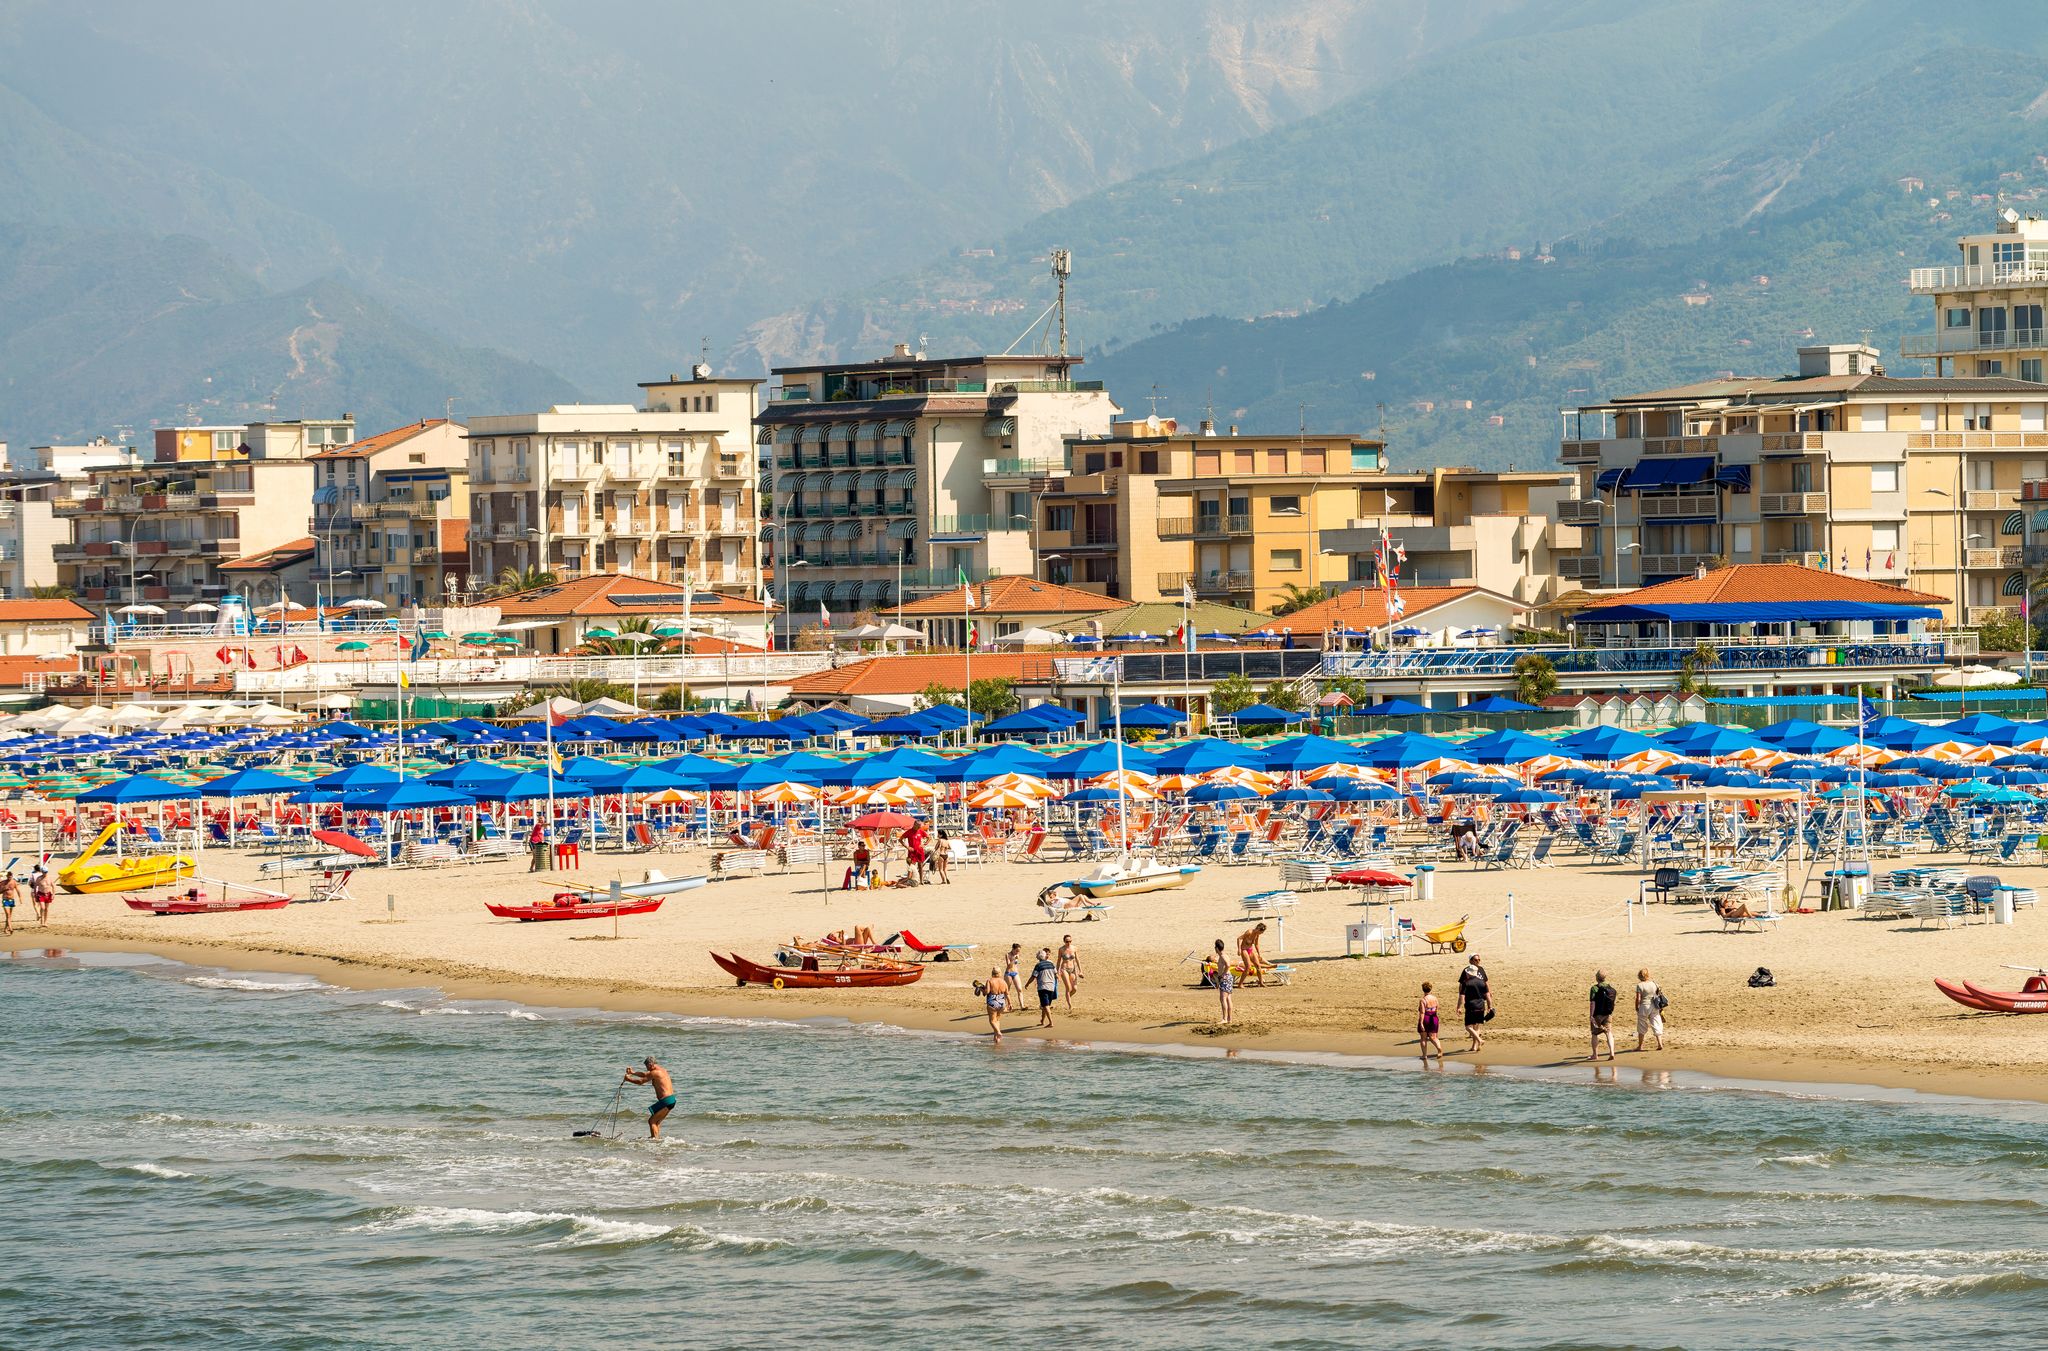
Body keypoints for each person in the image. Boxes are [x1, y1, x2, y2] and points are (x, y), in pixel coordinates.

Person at [621, 1056, 677, 1139]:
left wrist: (628, 1079)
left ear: (651, 1064)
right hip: (672, 1100)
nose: (647, 1069)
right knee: (657, 1122)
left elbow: (641, 1081)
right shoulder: (662, 1070)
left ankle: (654, 1141)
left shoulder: (654, 1073)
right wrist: (633, 1073)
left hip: (665, 1101)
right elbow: (645, 1074)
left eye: (647, 1067)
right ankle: (657, 1140)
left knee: (652, 1121)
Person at [1457, 954, 1490, 1052]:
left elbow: (1486, 982)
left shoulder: (1480, 971)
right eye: (1476, 960)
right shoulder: (1466, 972)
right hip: (1480, 1003)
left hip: (1472, 1004)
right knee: (1476, 1026)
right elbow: (1460, 984)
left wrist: (1459, 1005)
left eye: (1479, 959)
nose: (1478, 961)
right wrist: (1489, 1003)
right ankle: (1475, 1046)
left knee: (1469, 1026)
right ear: (1470, 960)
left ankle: (1479, 1040)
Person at [1588, 969, 1619, 1062]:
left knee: (1594, 1033)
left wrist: (1591, 1015)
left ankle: (1595, 1054)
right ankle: (1612, 1053)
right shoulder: (1611, 989)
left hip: (1597, 1014)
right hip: (1608, 1013)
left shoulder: (1594, 988)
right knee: (1609, 1033)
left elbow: (1592, 1003)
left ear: (1597, 977)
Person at [1634, 968, 1666, 1052]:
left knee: (1641, 1026)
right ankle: (1660, 1044)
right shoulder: (1654, 983)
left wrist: (1637, 1007)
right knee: (1656, 1024)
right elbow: (1658, 994)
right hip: (1654, 1006)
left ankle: (1640, 1046)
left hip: (1644, 1006)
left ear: (1639, 976)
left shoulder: (1639, 985)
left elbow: (1638, 998)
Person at [1030, 947, 1059, 1028]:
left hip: (1043, 987)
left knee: (1045, 1006)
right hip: (1051, 987)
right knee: (1046, 1005)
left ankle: (1051, 1022)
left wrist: (1027, 984)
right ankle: (1042, 1020)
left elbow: (1033, 976)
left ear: (1038, 957)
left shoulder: (1038, 965)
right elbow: (1056, 974)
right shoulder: (1051, 964)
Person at [1417, 981, 1443, 1066]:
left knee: (1423, 1038)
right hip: (1434, 1017)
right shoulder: (1435, 998)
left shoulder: (1423, 1000)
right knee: (1434, 1037)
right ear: (1430, 989)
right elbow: (1437, 1008)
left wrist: (1421, 1023)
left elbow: (1422, 1012)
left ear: (1423, 989)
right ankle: (1439, 1048)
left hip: (1426, 1018)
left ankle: (1424, 1055)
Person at [1237, 922, 1270, 986]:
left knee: (1258, 966)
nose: (1261, 934)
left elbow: (1256, 944)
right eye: (1261, 932)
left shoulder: (1257, 935)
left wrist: (1259, 953)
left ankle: (1261, 982)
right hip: (1244, 950)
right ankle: (1240, 984)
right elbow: (1239, 938)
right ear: (1258, 929)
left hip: (1250, 950)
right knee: (1248, 966)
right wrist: (1239, 949)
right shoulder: (1249, 932)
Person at [1211, 937, 1235, 1024]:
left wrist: (1222, 975)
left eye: (1215, 947)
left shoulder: (1223, 956)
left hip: (1225, 978)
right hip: (1227, 978)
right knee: (1228, 998)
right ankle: (1229, 1019)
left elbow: (1228, 965)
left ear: (1217, 948)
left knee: (1223, 998)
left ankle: (1225, 1019)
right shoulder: (1224, 955)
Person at [1056, 933, 1083, 1012]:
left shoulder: (1074, 948)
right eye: (1067, 941)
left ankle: (1067, 998)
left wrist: (1080, 971)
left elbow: (1077, 959)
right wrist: (1057, 972)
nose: (1069, 943)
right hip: (1064, 969)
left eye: (1070, 941)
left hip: (1073, 969)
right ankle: (1070, 1005)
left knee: (1074, 989)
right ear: (1064, 941)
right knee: (1068, 988)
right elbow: (1058, 961)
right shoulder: (1061, 949)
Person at [983, 967, 1008, 1042]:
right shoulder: (1003, 981)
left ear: (992, 973)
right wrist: (1009, 1003)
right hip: (1002, 1001)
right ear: (1000, 973)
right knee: (997, 1019)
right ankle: (996, 1039)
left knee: (992, 1021)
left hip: (993, 1001)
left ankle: (998, 1032)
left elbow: (987, 992)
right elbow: (1007, 993)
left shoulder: (989, 980)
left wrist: (982, 990)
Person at [904, 820, 928, 885]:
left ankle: (921, 880)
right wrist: (907, 847)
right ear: (914, 825)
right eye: (918, 826)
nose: (919, 827)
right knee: (911, 866)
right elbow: (900, 839)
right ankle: (911, 879)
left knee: (920, 866)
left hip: (919, 851)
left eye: (920, 826)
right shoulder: (909, 832)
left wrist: (924, 844)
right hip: (912, 851)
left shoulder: (920, 831)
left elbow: (929, 838)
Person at [1003, 943, 1024, 1012]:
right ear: (1013, 949)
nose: (1018, 952)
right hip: (1008, 973)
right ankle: (1005, 1006)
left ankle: (1022, 1006)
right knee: (1007, 990)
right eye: (1017, 950)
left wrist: (1016, 957)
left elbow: (1015, 965)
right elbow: (1009, 966)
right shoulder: (1008, 955)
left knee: (1020, 989)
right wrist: (1013, 959)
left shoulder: (1017, 954)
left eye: (1019, 951)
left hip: (1015, 973)